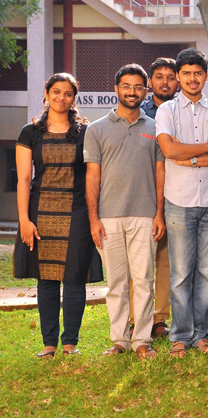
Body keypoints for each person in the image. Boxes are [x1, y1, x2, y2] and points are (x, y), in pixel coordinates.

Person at [15, 73, 102, 358]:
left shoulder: (85, 132)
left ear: (74, 98)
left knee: (74, 277)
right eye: (56, 92)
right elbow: (24, 179)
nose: (61, 97)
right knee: (47, 279)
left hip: (76, 210)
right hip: (40, 212)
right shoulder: (30, 132)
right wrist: (24, 221)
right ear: (47, 94)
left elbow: (92, 176)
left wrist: (93, 217)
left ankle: (70, 345)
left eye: (67, 93)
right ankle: (49, 345)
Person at [84, 64, 166, 359]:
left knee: (144, 279)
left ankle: (142, 339)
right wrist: (94, 219)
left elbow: (160, 173)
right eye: (126, 86)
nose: (132, 91)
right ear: (116, 89)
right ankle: (120, 339)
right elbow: (92, 177)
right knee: (116, 282)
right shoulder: (96, 129)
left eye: (138, 87)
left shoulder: (156, 129)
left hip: (145, 215)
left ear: (146, 91)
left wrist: (159, 213)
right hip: (108, 217)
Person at [155, 48, 208, 357]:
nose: (192, 78)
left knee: (207, 271)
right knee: (182, 272)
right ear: (179, 78)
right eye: (185, 73)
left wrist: (195, 158)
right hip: (179, 201)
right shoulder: (167, 111)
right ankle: (180, 336)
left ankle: (200, 334)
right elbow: (169, 150)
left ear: (205, 75)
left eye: (197, 73)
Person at [135, 56, 177, 339]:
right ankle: (135, 318)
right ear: (150, 83)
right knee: (137, 263)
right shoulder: (138, 112)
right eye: (159, 76)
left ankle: (160, 319)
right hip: (141, 194)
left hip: (175, 195)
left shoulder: (183, 110)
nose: (165, 81)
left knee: (165, 262)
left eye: (170, 76)